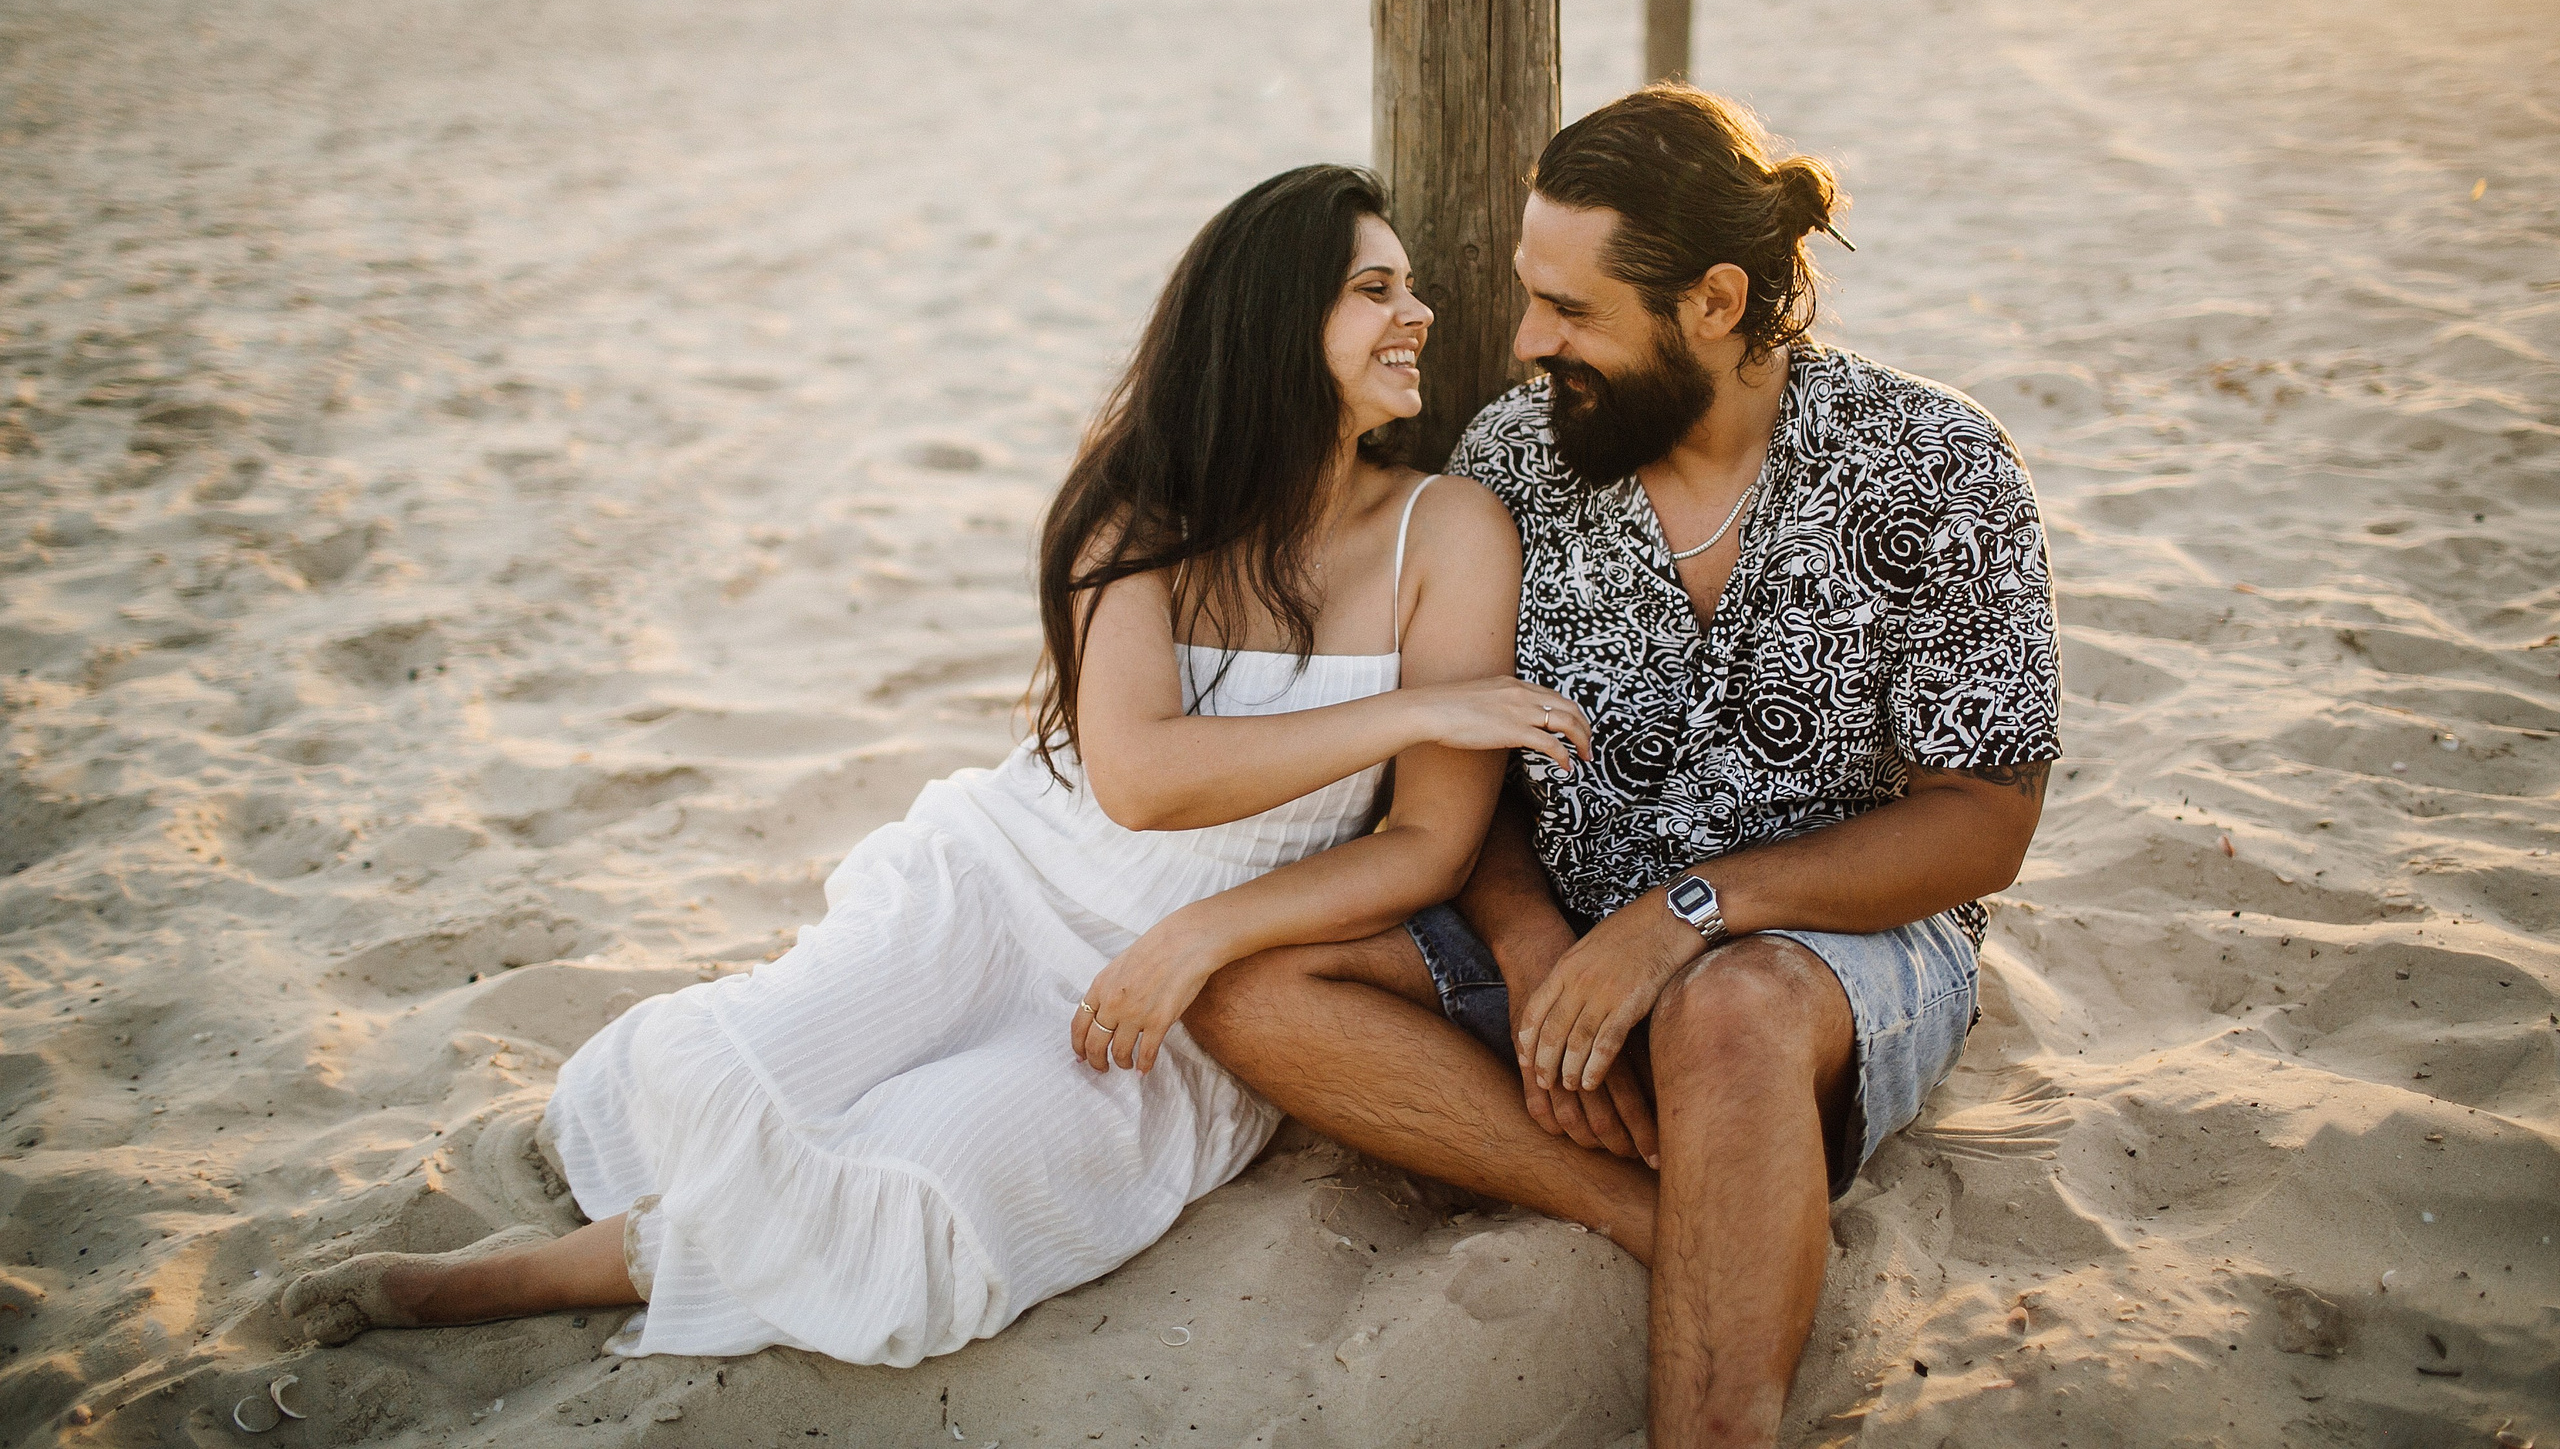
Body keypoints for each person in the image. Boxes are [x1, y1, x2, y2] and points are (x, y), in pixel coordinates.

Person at [280, 164, 1587, 1366]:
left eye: (1408, 287)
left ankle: (511, 1282)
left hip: (1175, 982)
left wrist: (1202, 938)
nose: (1417, 313)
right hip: (998, 877)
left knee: (930, 1187)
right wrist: (1417, 712)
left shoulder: (1447, 529)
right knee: (733, 1068)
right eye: (1376, 290)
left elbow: (1429, 848)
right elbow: (1139, 776)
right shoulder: (1140, 509)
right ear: (1268, 322)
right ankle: (586, 1243)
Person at [1186, 87, 2062, 1449]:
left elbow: (1984, 823)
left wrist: (1686, 919)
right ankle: (1654, 1211)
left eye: (1573, 310)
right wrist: (1538, 949)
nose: (1531, 342)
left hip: (1826, 953)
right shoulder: (1512, 465)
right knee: (1256, 989)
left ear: (1716, 301)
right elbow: (1460, 771)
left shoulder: (1937, 466)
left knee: (1730, 1015)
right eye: (1531, 300)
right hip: (1573, 920)